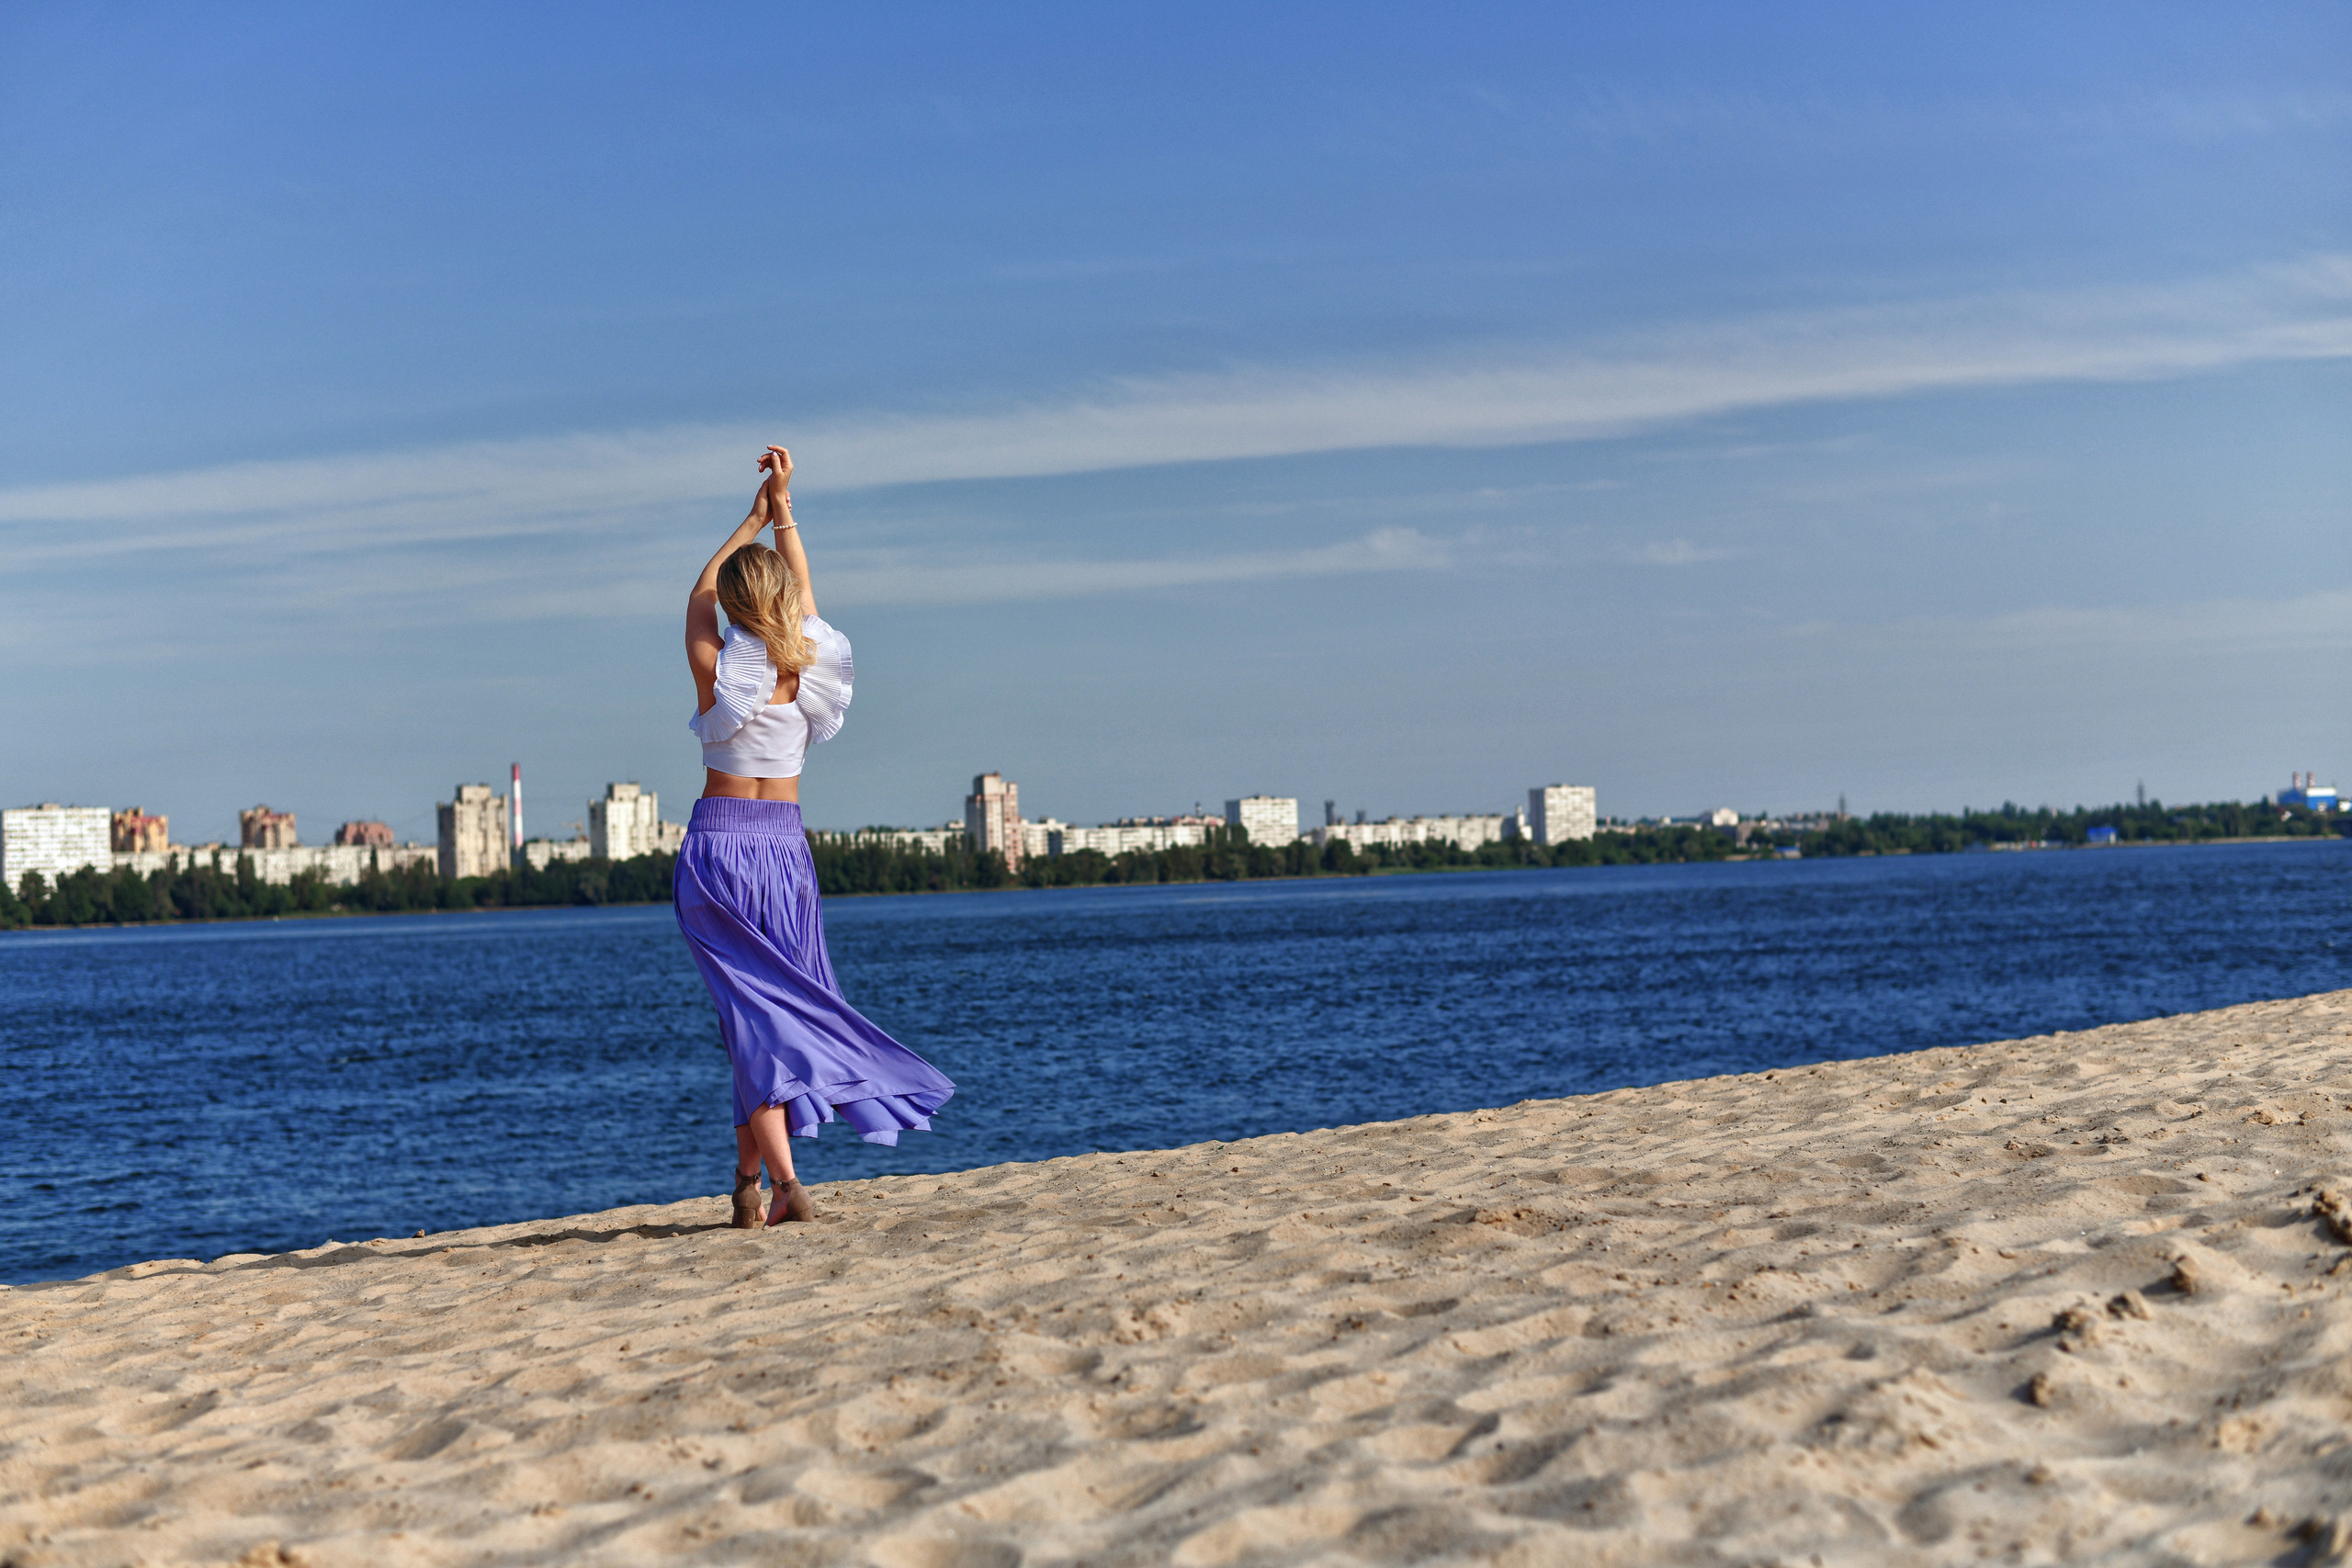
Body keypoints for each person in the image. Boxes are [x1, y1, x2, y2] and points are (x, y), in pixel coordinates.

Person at [674, 446, 956, 1227]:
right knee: (764, 1014)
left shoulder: (721, 670)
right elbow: (798, 589)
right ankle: (745, 1180)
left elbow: (699, 589)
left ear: (736, 606)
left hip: (719, 854)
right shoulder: (813, 659)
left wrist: (750, 520)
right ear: (786, 600)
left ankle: (786, 1181)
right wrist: (784, 507)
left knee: (754, 1017)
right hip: (785, 852)